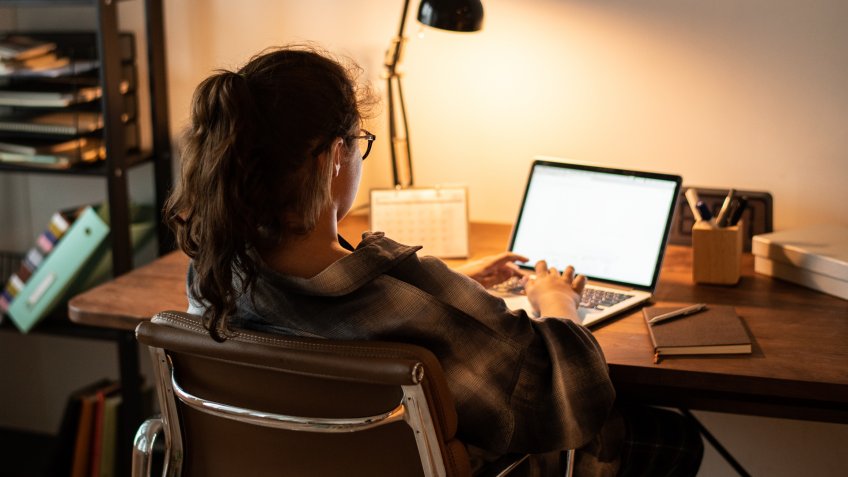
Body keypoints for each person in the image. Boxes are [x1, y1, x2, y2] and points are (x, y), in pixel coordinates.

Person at [165, 45, 702, 476]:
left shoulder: (214, 276)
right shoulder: (407, 299)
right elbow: (565, 392)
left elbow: (334, 311)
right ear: (334, 158)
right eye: (359, 141)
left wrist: (453, 287)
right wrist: (557, 302)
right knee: (671, 439)